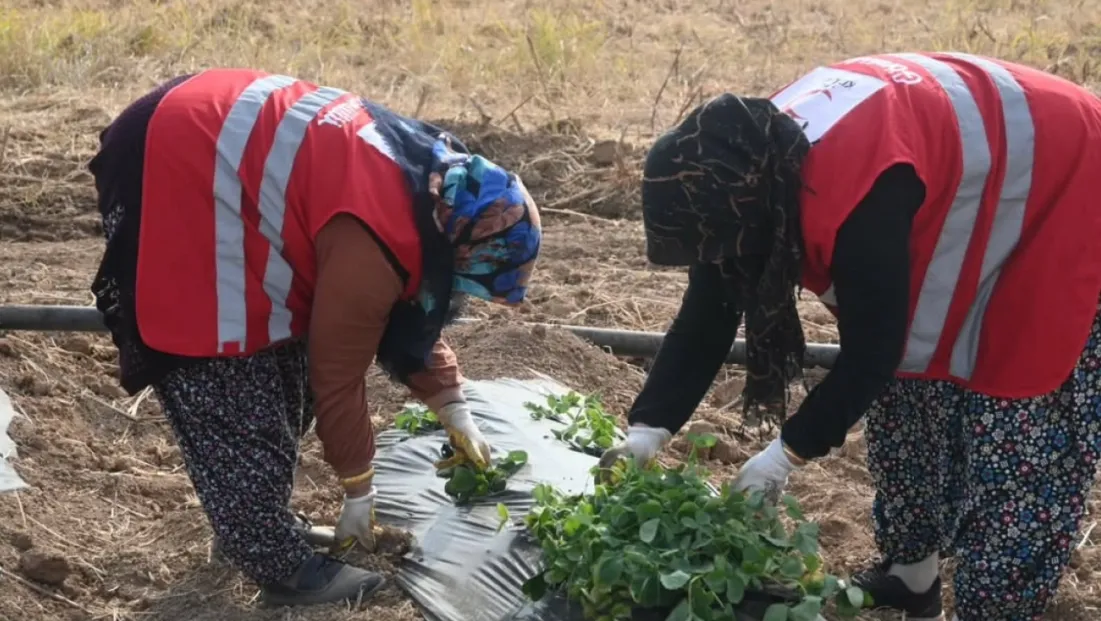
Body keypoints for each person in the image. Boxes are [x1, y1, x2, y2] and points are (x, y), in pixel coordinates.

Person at [599, 52, 1101, 621]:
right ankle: (912, 577)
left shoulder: (858, 191)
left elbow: (873, 352)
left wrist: (785, 454)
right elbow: (709, 308)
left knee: (1018, 419)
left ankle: (999, 607)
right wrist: (649, 427)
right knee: (916, 376)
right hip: (969, 180)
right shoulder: (749, 167)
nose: (722, 261)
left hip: (1065, 185)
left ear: (753, 212)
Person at [87, 69, 542, 607]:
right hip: (178, 159)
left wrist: (452, 405)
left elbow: (406, 305)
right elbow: (338, 373)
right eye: (471, 277)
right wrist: (358, 488)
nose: (461, 290)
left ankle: (252, 523)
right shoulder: (373, 237)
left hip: (209, 135)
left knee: (284, 369)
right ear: (465, 246)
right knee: (230, 370)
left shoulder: (436, 183)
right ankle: (278, 566)